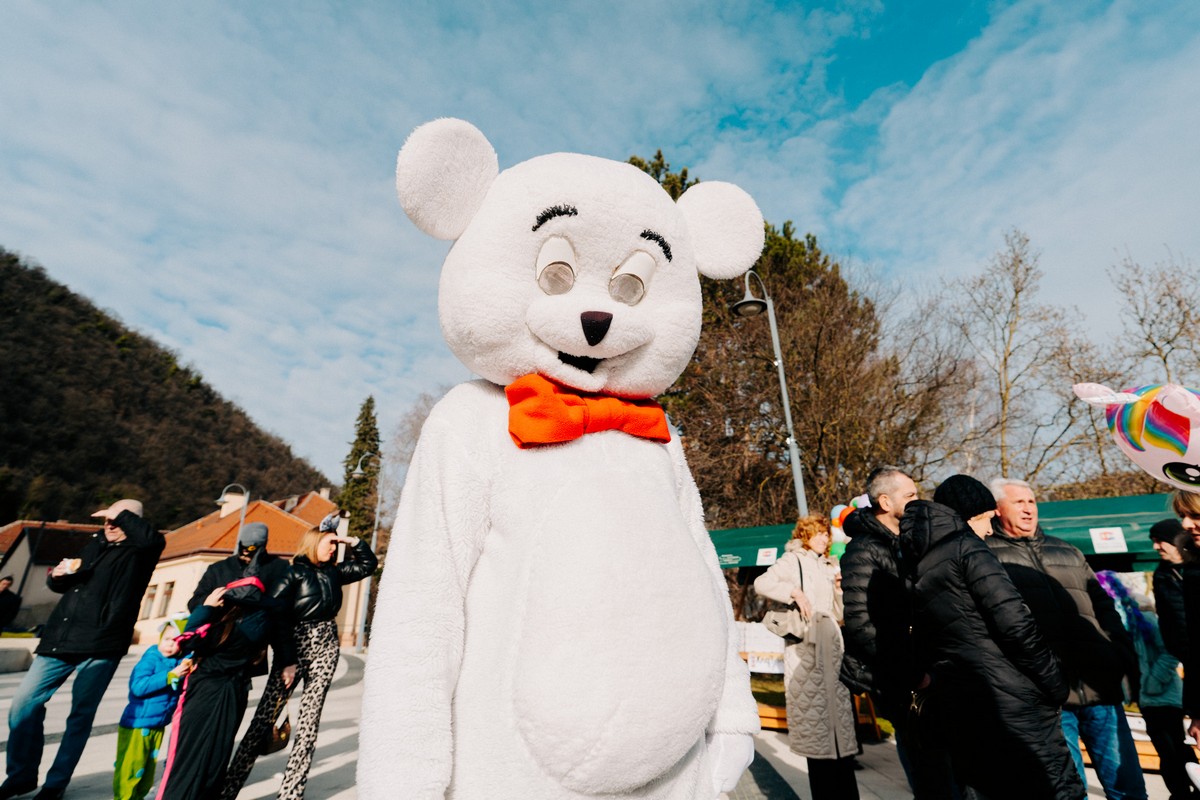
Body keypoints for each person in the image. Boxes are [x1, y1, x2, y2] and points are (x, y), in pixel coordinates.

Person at [902, 475, 1081, 799]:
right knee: (1049, 787)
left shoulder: (920, 562)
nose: (989, 528)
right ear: (969, 516)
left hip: (964, 703)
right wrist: (1055, 683)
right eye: (986, 519)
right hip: (1014, 701)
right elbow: (1015, 624)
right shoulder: (969, 549)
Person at [988, 478, 1146, 800]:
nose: (1028, 509)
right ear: (997, 509)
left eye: (1031, 501)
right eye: (1019, 502)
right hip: (1049, 697)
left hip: (1099, 685)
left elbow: (1104, 606)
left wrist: (1119, 652)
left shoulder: (1067, 549)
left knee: (1127, 786)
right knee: (1069, 791)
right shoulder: (988, 557)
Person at [1, 498, 165, 800]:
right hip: (59, 638)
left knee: (80, 715)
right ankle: (21, 775)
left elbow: (152, 538)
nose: (109, 524)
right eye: (106, 520)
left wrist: (122, 515)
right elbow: (65, 584)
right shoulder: (94, 545)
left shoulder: (141, 552)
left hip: (102, 643)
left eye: (116, 520)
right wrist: (57, 578)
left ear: (132, 520)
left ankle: (55, 784)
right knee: (23, 704)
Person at [221, 517, 377, 800]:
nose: (334, 550)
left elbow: (368, 565)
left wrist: (352, 542)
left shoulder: (334, 573)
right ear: (314, 543)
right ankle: (228, 789)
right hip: (294, 647)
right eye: (330, 544)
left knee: (309, 725)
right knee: (263, 722)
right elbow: (276, 615)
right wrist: (287, 658)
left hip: (326, 645)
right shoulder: (292, 573)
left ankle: (291, 794)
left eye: (335, 545)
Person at [840, 466, 957, 798]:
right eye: (910, 496)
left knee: (945, 766)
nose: (918, 501)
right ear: (885, 501)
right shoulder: (863, 549)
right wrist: (912, 675)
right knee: (929, 771)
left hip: (930, 670)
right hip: (904, 681)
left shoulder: (907, 541)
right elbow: (862, 623)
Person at [754, 515, 859, 800]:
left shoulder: (828, 565)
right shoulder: (793, 560)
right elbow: (762, 583)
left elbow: (839, 614)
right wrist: (794, 592)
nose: (825, 538)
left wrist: (838, 589)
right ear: (805, 534)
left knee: (839, 736)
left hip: (833, 649)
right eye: (819, 533)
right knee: (816, 733)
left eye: (827, 534)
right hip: (806, 650)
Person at [155, 573, 279, 800]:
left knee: (185, 758)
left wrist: (207, 607)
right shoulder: (260, 626)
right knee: (215, 758)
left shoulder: (222, 628)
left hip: (205, 692)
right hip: (234, 694)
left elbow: (186, 639)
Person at [1096, 571, 1195, 800]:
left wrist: (1152, 682)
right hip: (1145, 698)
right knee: (1166, 749)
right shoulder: (1116, 625)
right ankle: (1180, 793)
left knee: (1174, 748)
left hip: (1163, 695)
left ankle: (1184, 793)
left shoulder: (1144, 619)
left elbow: (1170, 653)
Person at [113, 614, 193, 800]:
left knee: (146, 771)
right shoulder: (151, 659)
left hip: (157, 724)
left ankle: (138, 797)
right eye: (166, 639)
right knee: (131, 768)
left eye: (176, 641)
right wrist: (169, 675)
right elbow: (138, 687)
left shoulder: (177, 661)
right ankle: (124, 797)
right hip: (137, 724)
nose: (170, 644)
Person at [1149, 518, 1187, 662]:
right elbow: (1165, 616)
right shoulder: (1161, 575)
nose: (1155, 547)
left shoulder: (1195, 566)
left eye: (1159, 541)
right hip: (1184, 654)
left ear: (1174, 540)